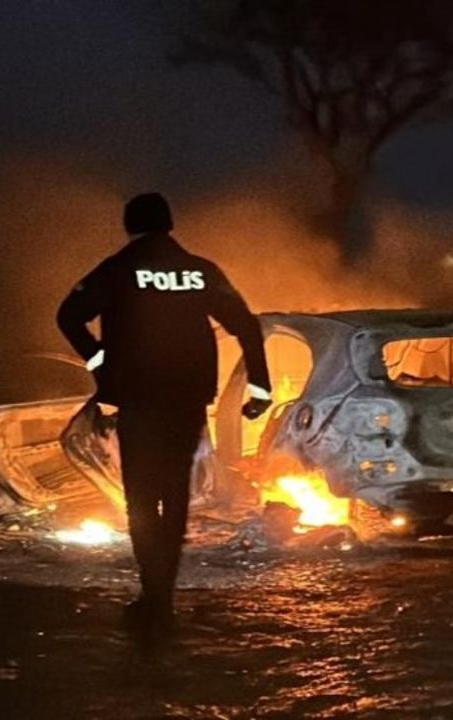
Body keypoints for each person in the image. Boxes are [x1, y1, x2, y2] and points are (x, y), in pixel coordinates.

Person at [57, 192, 272, 627]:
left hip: (139, 398)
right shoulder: (200, 271)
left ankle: (152, 592)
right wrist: (260, 388)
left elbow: (68, 316)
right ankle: (164, 595)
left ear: (128, 224)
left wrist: (102, 366)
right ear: (170, 224)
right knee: (175, 495)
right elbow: (247, 325)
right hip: (188, 399)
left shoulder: (118, 269)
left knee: (141, 495)